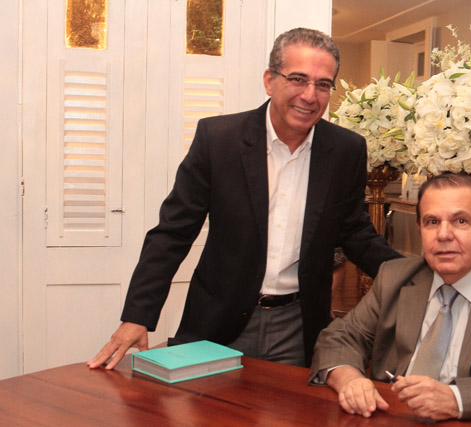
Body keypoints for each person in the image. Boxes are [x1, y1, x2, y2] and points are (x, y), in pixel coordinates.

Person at [88, 28, 400, 370]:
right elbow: (173, 232)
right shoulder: (218, 140)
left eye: (323, 84)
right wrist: (138, 315)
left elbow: (355, 232)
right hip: (218, 323)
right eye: (298, 79)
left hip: (298, 328)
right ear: (269, 80)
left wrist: (414, 276)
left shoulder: (346, 150)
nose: (310, 95)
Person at [309, 173, 471, 420]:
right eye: (432, 222)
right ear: (420, 228)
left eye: (460, 221)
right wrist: (350, 379)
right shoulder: (394, 277)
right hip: (393, 415)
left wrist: (456, 399)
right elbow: (339, 338)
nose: (443, 235)